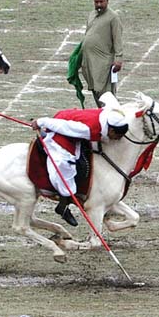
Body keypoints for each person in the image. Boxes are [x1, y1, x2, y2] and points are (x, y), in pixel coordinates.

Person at [31, 96, 129, 226]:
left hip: (73, 125)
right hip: (61, 131)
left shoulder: (113, 115)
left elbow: (109, 98)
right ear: (111, 130)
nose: (117, 139)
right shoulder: (86, 129)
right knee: (65, 166)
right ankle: (64, 204)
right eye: (117, 136)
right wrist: (41, 122)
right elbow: (62, 126)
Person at [79, 0, 124, 107]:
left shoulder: (113, 17)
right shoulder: (92, 14)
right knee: (95, 89)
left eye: (101, 2)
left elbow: (117, 38)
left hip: (103, 62)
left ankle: (113, 119)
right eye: (96, 2)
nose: (99, 5)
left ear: (107, 1)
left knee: (106, 94)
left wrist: (118, 59)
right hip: (89, 60)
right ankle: (102, 115)